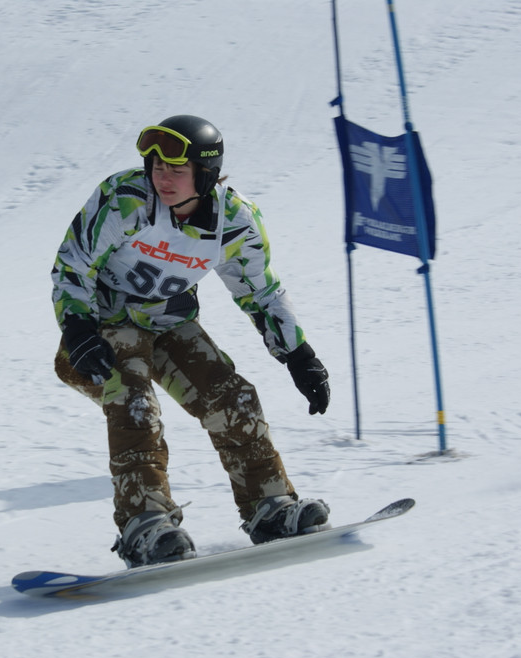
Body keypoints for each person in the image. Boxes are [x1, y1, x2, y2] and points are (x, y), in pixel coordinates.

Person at [50, 114, 331, 568]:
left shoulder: (234, 221)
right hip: (101, 330)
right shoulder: (125, 200)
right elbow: (73, 265)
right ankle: (145, 524)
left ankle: (271, 507)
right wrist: (79, 330)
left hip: (169, 323)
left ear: (206, 174)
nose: (162, 178)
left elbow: (260, 291)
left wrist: (299, 355)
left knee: (233, 398)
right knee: (135, 404)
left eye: (176, 170)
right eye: (156, 167)